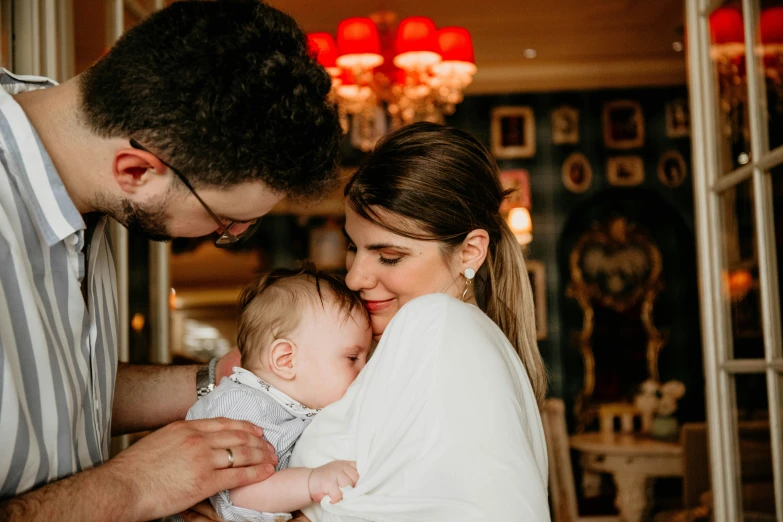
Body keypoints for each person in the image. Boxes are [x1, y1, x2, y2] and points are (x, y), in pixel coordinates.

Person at [0, 1, 342, 521]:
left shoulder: (85, 181)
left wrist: (221, 382)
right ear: (135, 170)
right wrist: (134, 486)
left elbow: (42, 393)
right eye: (226, 220)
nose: (228, 234)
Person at [288, 122, 551, 521]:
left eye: (389, 256)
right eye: (353, 247)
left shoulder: (434, 321)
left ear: (469, 252)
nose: (356, 277)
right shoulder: (457, 339)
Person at [170, 266, 372, 522]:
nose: (364, 371)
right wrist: (311, 482)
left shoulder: (297, 405)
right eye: (352, 358)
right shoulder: (243, 408)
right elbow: (241, 493)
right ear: (285, 359)